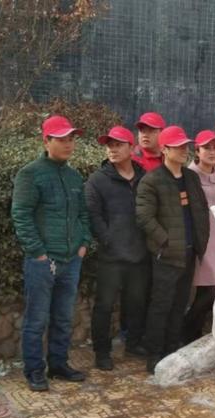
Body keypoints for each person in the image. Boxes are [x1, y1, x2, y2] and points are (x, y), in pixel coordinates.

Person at [11, 115, 91, 391]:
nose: (68, 144)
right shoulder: (30, 173)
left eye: (71, 139)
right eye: (61, 139)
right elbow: (21, 215)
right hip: (43, 262)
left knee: (63, 316)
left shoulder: (73, 176)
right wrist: (38, 253)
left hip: (71, 260)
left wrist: (83, 243)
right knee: (36, 319)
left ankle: (58, 364)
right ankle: (34, 370)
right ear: (46, 141)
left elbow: (83, 213)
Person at [136, 126, 210, 373]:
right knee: (161, 304)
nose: (183, 150)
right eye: (177, 146)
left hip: (189, 252)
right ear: (164, 149)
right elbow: (145, 217)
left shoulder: (191, 178)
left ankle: (171, 349)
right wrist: (165, 242)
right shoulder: (152, 180)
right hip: (166, 255)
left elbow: (199, 212)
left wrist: (201, 242)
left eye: (184, 146)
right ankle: (154, 353)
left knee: (180, 304)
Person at [85, 126, 150, 371]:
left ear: (131, 148)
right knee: (104, 305)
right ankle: (102, 352)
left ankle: (133, 343)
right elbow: (93, 215)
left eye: (118, 144)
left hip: (139, 254)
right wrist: (108, 239)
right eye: (109, 145)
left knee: (136, 303)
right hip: (111, 257)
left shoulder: (144, 177)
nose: (112, 149)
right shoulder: (98, 180)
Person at [184, 130, 215, 344]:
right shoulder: (190, 175)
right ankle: (187, 332)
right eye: (206, 148)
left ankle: (194, 333)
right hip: (202, 236)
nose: (212, 152)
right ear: (197, 150)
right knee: (210, 287)